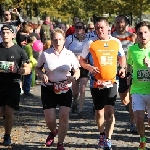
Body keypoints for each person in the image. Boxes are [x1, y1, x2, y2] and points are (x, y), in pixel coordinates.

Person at [80, 17, 126, 150]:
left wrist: (122, 68)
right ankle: (101, 135)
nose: (100, 30)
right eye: (97, 28)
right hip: (96, 82)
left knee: (110, 110)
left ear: (108, 28)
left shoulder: (115, 42)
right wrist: (89, 68)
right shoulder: (90, 43)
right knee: (99, 112)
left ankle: (108, 139)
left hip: (112, 81)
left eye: (102, 27)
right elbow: (82, 61)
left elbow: (121, 57)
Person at [35, 28, 80, 150]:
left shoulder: (69, 55)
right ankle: (53, 131)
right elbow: (37, 68)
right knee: (50, 119)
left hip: (64, 88)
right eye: (55, 39)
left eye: (60, 39)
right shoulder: (46, 54)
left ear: (64, 40)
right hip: (48, 88)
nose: (58, 42)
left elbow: (77, 70)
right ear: (52, 40)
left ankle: (60, 143)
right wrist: (42, 74)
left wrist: (74, 77)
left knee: (64, 116)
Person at [0, 24, 30, 146]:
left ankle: (7, 136)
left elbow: (27, 69)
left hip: (13, 84)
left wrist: (17, 70)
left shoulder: (20, 51)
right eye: (3, 33)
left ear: (13, 34)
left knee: (8, 110)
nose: (5, 35)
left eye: (7, 33)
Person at [127, 21, 150, 150]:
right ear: (137, 35)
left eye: (146, 32)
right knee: (139, 119)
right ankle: (142, 140)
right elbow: (129, 65)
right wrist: (128, 74)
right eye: (140, 33)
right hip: (137, 90)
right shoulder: (132, 49)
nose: (143, 35)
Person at [112, 15, 137, 133]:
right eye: (117, 22)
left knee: (132, 98)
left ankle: (133, 123)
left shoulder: (132, 37)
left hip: (129, 70)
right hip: (114, 70)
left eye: (121, 22)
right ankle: (131, 109)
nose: (119, 24)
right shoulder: (111, 37)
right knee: (123, 99)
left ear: (126, 23)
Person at [65, 21, 89, 118]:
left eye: (80, 27)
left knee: (82, 88)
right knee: (75, 92)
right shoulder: (69, 39)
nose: (78, 29)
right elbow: (64, 51)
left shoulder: (88, 40)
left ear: (84, 29)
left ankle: (80, 111)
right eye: (76, 27)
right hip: (73, 67)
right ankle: (75, 102)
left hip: (84, 67)